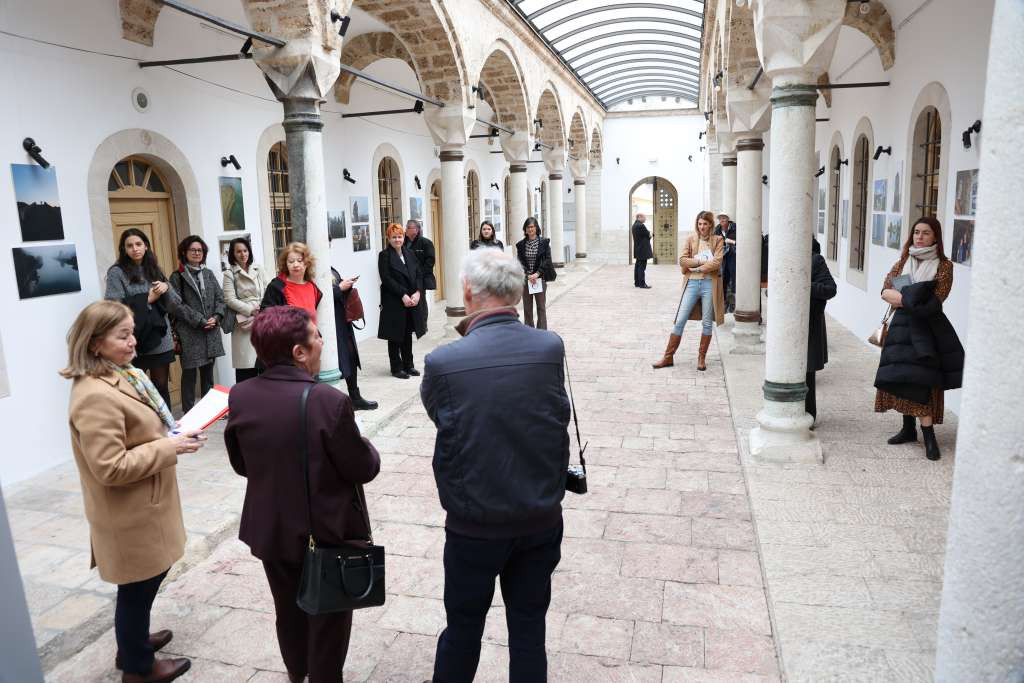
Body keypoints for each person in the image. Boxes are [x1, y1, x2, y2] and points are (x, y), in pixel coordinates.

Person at [421, 248, 570, 682]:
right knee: (529, 628)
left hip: (475, 524)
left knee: (464, 628)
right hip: (539, 516)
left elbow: (441, 415)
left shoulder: (444, 362)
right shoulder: (549, 347)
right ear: (518, 291)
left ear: (467, 291)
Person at [225, 305, 380, 683]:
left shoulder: (241, 395)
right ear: (298, 352)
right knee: (327, 624)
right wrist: (365, 444)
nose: (322, 343)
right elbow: (363, 467)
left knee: (289, 612)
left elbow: (242, 463)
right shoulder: (329, 401)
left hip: (272, 529)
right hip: (324, 532)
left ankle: (298, 675)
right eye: (316, 337)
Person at [61, 300, 205, 683]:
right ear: (95, 343)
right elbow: (109, 467)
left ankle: (134, 642)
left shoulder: (122, 374)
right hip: (129, 512)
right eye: (122, 335)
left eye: (131, 332)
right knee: (137, 589)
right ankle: (137, 667)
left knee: (147, 580)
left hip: (146, 504)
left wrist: (175, 434)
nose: (133, 342)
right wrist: (168, 447)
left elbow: (142, 428)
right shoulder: (94, 394)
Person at [874, 216, 963, 461]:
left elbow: (935, 303)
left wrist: (902, 298)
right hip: (901, 328)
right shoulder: (904, 260)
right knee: (902, 376)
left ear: (935, 236)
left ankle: (929, 437)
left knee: (923, 380)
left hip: (927, 331)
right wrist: (911, 299)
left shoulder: (944, 266)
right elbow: (884, 291)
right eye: (916, 232)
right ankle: (907, 429)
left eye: (925, 233)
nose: (919, 237)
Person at [104, 228, 182, 407]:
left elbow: (175, 304)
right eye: (129, 245)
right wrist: (146, 299)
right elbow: (112, 306)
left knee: (161, 386)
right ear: (123, 249)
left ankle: (167, 428)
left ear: (146, 246)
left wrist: (166, 287)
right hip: (133, 338)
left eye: (138, 244)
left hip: (160, 338)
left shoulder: (153, 268)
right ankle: (143, 430)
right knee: (134, 390)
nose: (135, 249)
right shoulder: (116, 273)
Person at [652, 210, 725, 371]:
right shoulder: (691, 239)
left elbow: (717, 263)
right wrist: (700, 261)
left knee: (707, 323)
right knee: (680, 320)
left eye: (705, 224)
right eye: (699, 224)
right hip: (691, 283)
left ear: (711, 225)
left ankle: (701, 358)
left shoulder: (718, 240)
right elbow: (682, 260)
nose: (702, 227)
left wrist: (697, 269)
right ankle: (668, 357)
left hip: (708, 284)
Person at [169, 236, 225, 412]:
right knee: (190, 373)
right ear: (184, 252)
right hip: (190, 332)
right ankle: (189, 411)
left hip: (211, 330)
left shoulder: (208, 274)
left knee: (208, 373)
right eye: (193, 250)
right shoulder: (177, 276)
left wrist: (216, 316)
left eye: (200, 250)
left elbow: (220, 298)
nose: (196, 253)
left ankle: (209, 412)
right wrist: (199, 320)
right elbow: (176, 305)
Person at [379, 223, 427, 378]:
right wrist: (403, 295)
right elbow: (386, 279)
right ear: (388, 238)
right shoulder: (384, 255)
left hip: (411, 299)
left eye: (399, 236)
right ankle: (396, 368)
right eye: (394, 237)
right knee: (395, 335)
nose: (397, 240)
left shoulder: (410, 253)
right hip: (394, 300)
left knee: (407, 333)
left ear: (404, 236)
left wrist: (418, 293)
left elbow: (419, 274)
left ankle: (408, 365)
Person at [330, 266, 377, 410]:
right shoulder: (311, 269)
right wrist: (339, 289)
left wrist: (346, 285)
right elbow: (318, 295)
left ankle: (355, 397)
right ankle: (332, 402)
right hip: (330, 322)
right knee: (335, 361)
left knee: (351, 355)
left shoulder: (330, 267)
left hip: (342, 318)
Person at [222, 236, 267, 383]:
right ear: (233, 254)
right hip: (244, 322)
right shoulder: (229, 274)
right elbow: (229, 299)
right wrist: (251, 310)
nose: (243, 254)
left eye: (245, 250)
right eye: (238, 251)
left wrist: (264, 306)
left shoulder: (258, 269)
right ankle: (244, 400)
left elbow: (268, 288)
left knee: (265, 361)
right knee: (247, 365)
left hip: (263, 318)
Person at [807, 238, 837, 423]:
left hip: (809, 322)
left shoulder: (815, 260)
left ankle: (809, 415)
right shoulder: (782, 259)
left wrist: (804, 285)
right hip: (787, 326)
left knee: (807, 371)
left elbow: (830, 289)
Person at [261, 242, 322, 321]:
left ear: (307, 263)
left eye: (300, 261)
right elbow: (264, 318)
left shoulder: (312, 287)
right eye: (291, 261)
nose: (295, 265)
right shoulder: (275, 287)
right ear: (286, 264)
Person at [515, 217, 555, 329]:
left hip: (540, 279)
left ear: (536, 228)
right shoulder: (521, 245)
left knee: (541, 307)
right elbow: (520, 262)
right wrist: (528, 275)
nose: (530, 229)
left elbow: (547, 260)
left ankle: (542, 332)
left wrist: (537, 274)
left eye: (532, 227)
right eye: (528, 227)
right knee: (527, 309)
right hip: (526, 280)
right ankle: (529, 332)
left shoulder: (544, 243)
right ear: (525, 229)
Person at [405, 218, 437, 292]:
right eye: (406, 227)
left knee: (421, 301)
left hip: (420, 279)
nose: (406, 229)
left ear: (416, 230)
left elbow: (430, 261)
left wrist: (419, 274)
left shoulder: (426, 243)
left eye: (408, 227)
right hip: (407, 278)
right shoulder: (403, 242)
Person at [715, 213, 737, 312]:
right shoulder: (717, 230)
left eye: (724, 218)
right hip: (722, 258)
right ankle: (724, 303)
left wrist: (731, 241)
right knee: (723, 279)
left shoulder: (735, 228)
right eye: (720, 219)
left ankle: (733, 303)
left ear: (728, 219)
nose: (722, 220)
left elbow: (743, 241)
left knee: (733, 278)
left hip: (733, 256)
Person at [631, 213, 652, 288]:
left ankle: (637, 283)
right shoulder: (641, 225)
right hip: (643, 250)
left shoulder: (634, 225)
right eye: (644, 217)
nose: (645, 219)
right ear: (639, 217)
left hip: (638, 249)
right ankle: (642, 284)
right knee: (642, 267)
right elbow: (648, 235)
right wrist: (650, 234)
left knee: (637, 266)